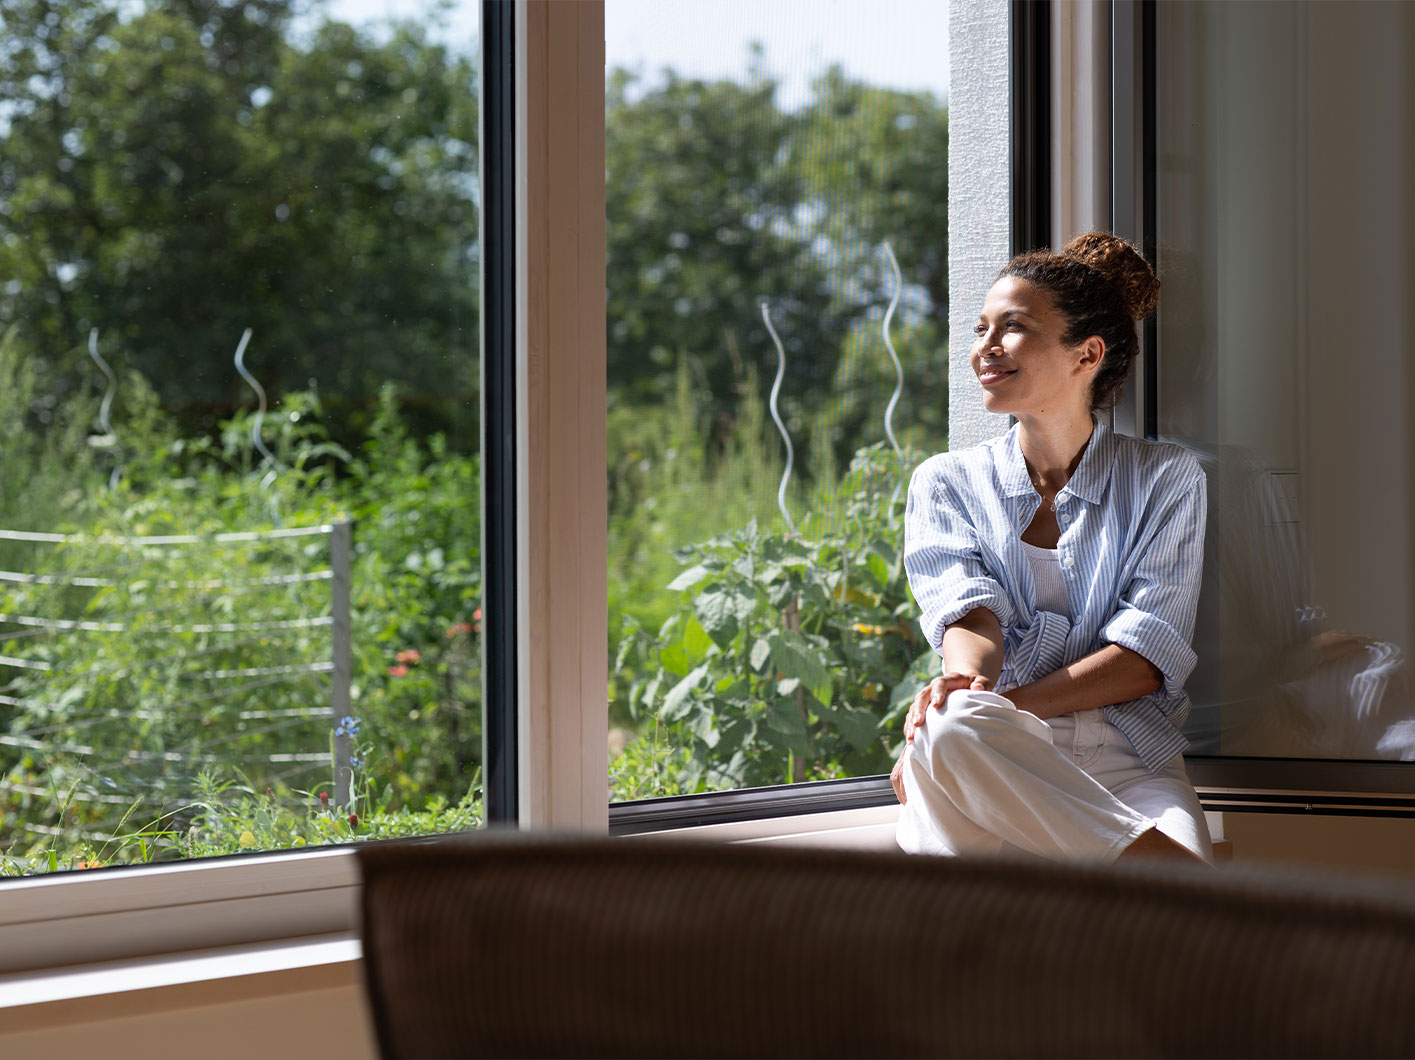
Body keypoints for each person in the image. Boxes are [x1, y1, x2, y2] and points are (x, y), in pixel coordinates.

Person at [891, 232, 1211, 863]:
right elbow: (970, 618)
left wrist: (999, 711)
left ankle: (1163, 879)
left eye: (1011, 328)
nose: (985, 347)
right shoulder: (945, 482)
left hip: (1127, 762)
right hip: (996, 762)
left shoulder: (1167, 478)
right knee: (951, 723)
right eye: (981, 329)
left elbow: (1143, 660)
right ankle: (1170, 883)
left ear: (1086, 354)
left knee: (958, 727)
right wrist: (965, 690)